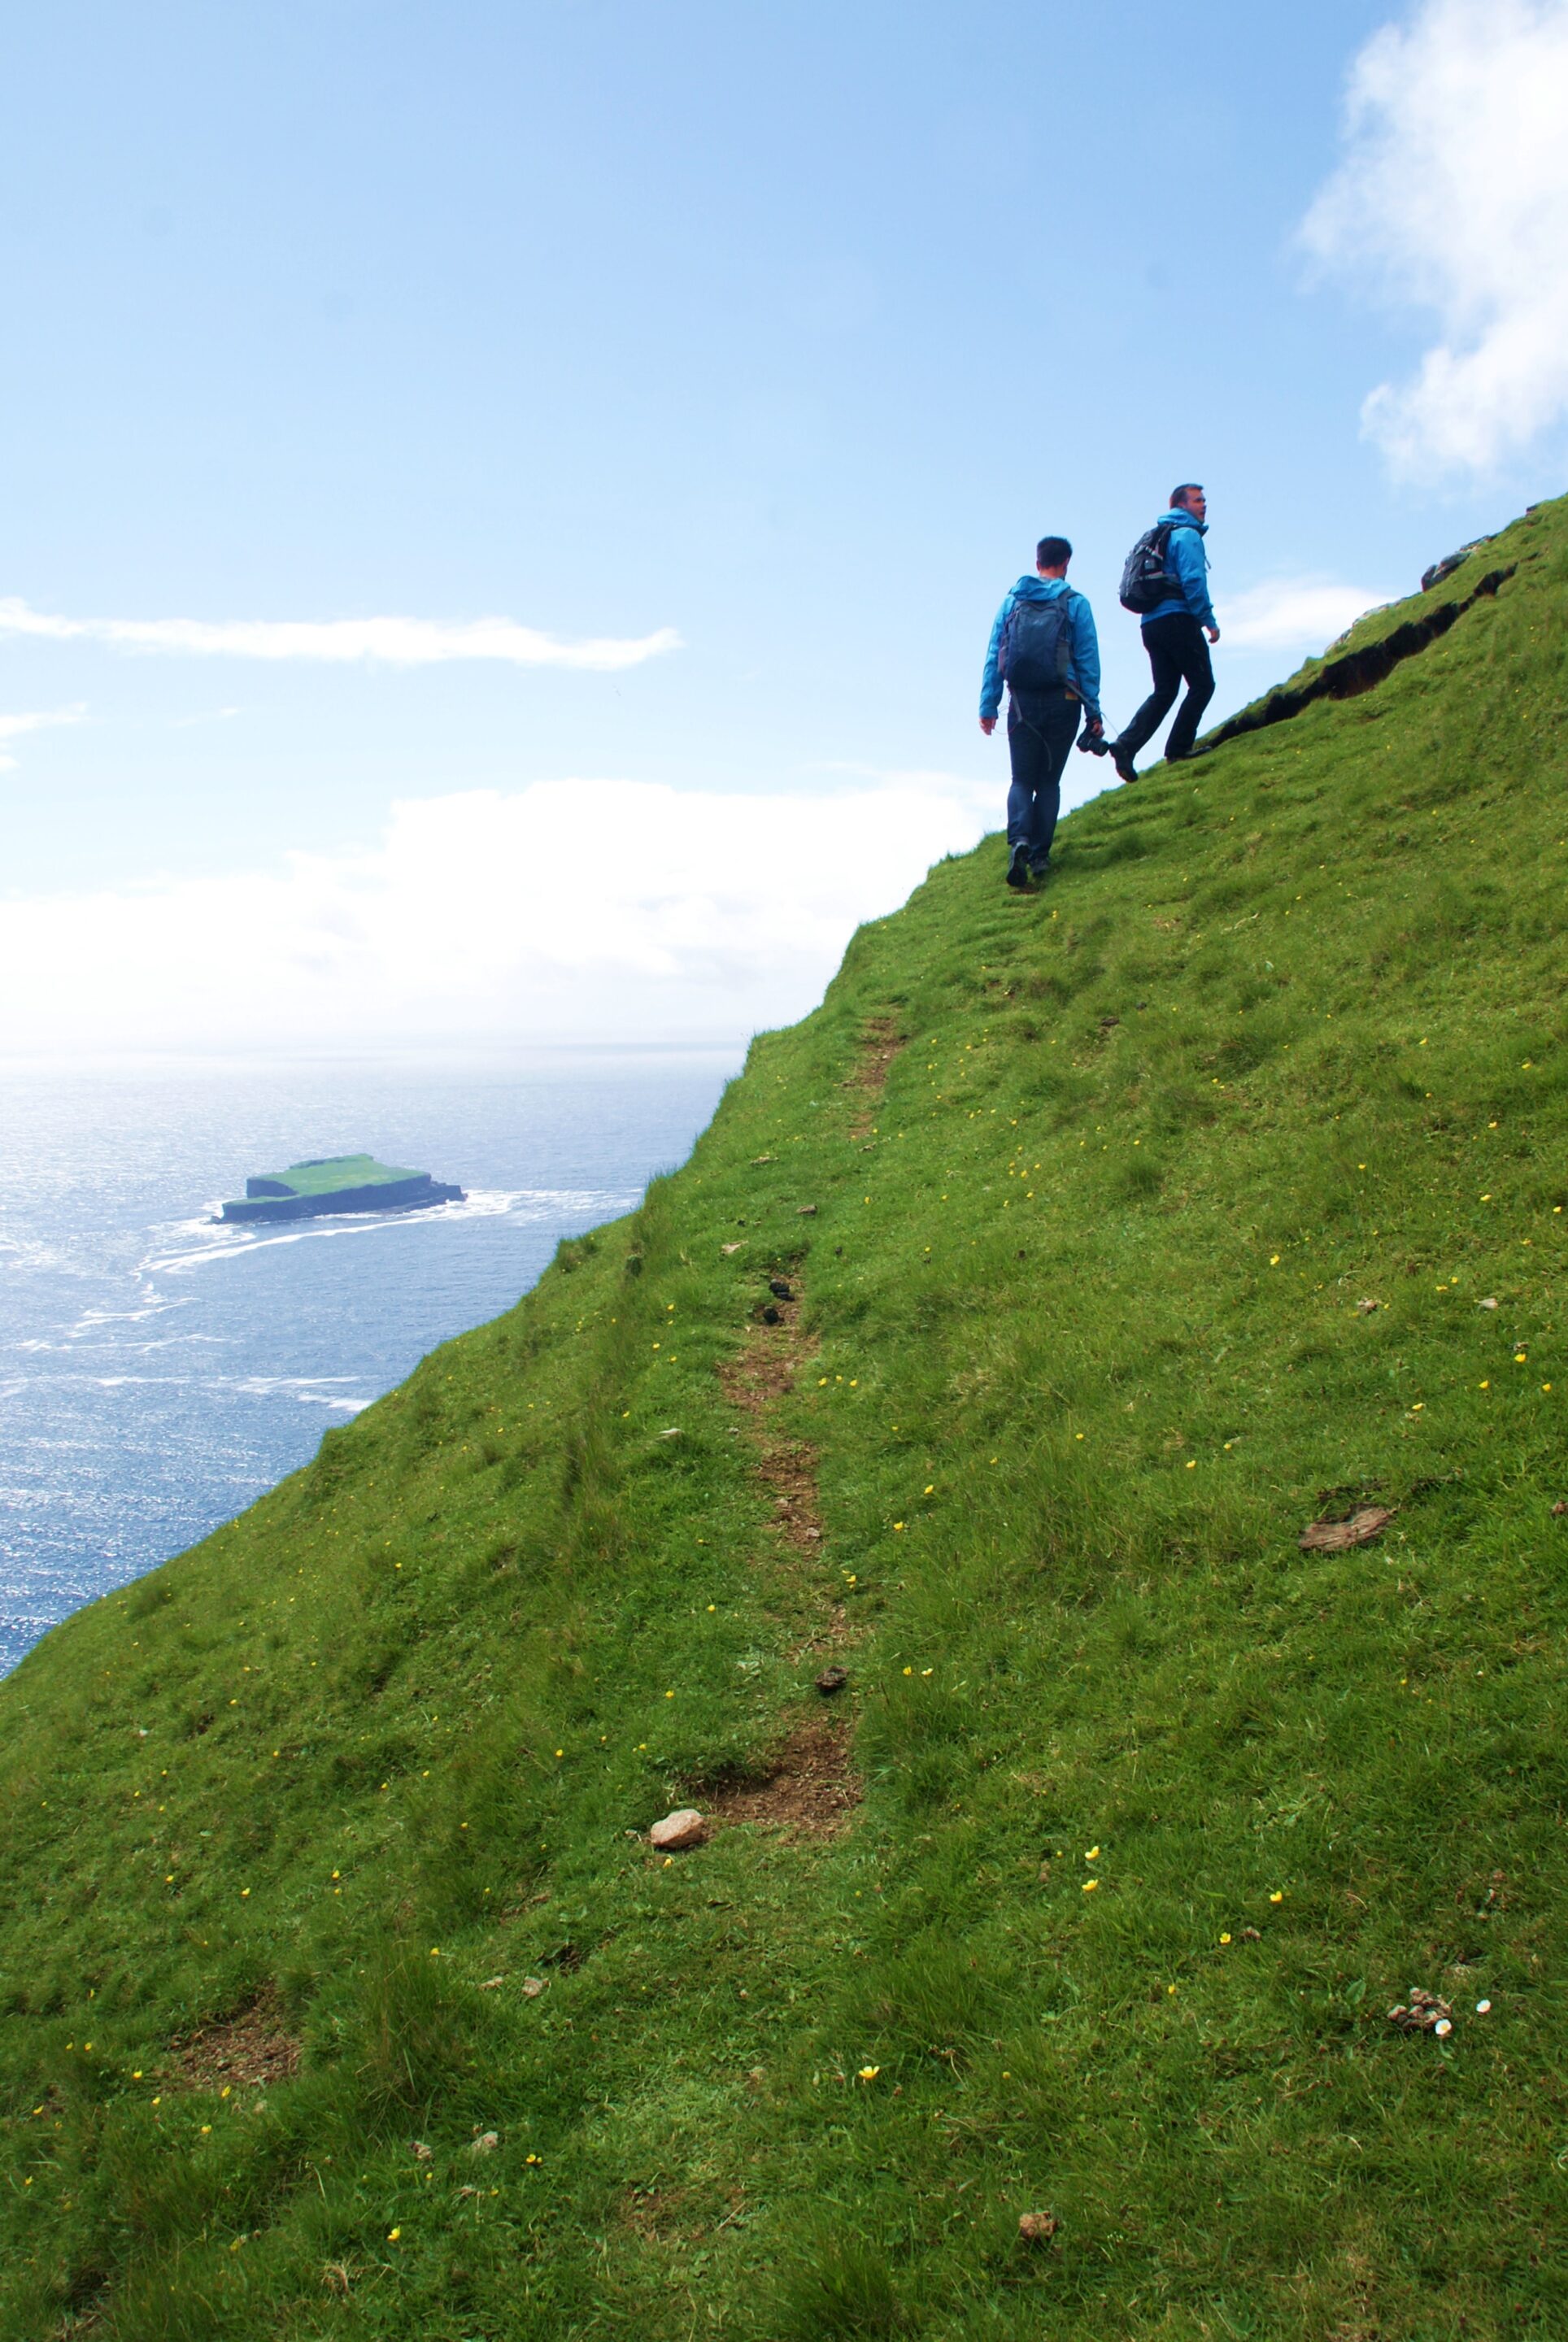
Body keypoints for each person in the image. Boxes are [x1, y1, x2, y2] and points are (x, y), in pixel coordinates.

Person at [979, 535, 1104, 888]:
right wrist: (1093, 709)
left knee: (1021, 779)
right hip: (1064, 700)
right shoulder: (1076, 603)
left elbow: (994, 656)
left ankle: (1018, 840)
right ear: (1066, 564)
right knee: (1049, 782)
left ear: (1037, 564)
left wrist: (988, 705)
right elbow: (1088, 659)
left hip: (1021, 702)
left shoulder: (1012, 602)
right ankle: (1040, 855)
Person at [1108, 484, 1219, 781]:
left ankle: (1125, 745)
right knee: (1203, 684)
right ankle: (1178, 749)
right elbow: (1194, 582)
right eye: (1198, 500)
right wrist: (1208, 620)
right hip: (1177, 618)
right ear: (1182, 506)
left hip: (1150, 623)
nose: (1204, 505)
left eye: (1204, 500)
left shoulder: (1156, 535)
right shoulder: (1187, 535)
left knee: (1165, 691)